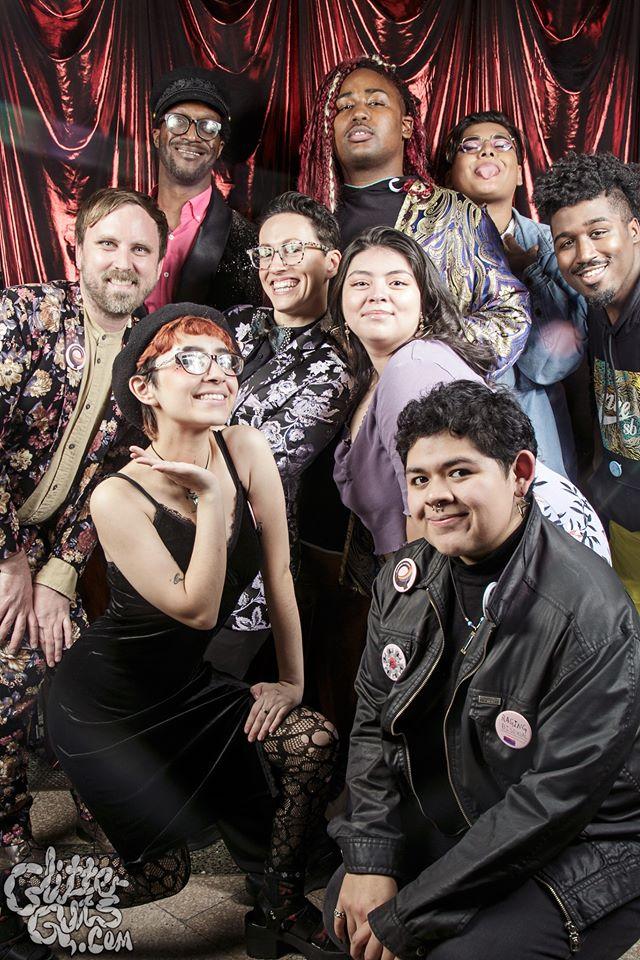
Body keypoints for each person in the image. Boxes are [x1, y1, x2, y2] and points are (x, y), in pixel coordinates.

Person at [45, 303, 344, 960]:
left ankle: (281, 907)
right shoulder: (118, 496)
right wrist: (212, 502)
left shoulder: (246, 446)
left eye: (226, 359)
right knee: (162, 880)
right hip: (104, 706)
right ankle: (30, 895)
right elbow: (200, 611)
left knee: (313, 741)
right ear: (145, 388)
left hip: (187, 687)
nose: (217, 372)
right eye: (190, 358)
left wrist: (291, 681)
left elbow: (281, 571)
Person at [324, 379, 640, 960]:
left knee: (453, 950)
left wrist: (412, 912)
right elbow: (373, 724)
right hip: (470, 809)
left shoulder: (590, 614)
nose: (434, 496)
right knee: (348, 905)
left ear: (520, 473)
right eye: (419, 480)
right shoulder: (403, 582)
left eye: (460, 472)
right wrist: (371, 859)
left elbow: (554, 802)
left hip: (586, 842)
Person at [0, 187, 166, 923]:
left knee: (62, 651)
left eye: (140, 249)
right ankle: (8, 834)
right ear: (79, 249)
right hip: (6, 537)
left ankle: (97, 805)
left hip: (41, 548)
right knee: (10, 659)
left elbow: (107, 481)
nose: (122, 260)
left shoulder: (148, 363)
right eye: (108, 243)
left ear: (159, 267)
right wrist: (9, 559)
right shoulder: (20, 314)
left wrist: (59, 576)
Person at [331, 227, 609, 590]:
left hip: (525, 575)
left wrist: (418, 619)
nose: (377, 294)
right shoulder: (375, 378)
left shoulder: (413, 367)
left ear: (425, 303)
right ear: (339, 301)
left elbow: (437, 513)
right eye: (360, 284)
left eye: (397, 283)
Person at [298, 56, 531, 376]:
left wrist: (425, 355)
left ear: (406, 125)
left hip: (430, 403)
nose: (359, 113)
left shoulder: (456, 214)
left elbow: (510, 316)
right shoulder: (303, 223)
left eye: (376, 102)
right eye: (344, 107)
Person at [210, 192, 351, 678]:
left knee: (211, 694)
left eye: (293, 249)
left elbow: (265, 461)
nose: (276, 264)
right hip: (171, 538)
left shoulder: (336, 366)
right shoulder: (233, 323)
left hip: (251, 563)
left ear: (332, 261)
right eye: (266, 252)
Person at [442, 110, 587, 477]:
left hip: (540, 444)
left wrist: (528, 275)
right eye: (469, 147)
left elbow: (547, 365)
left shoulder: (553, 244)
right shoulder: (430, 250)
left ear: (520, 171)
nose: (486, 152)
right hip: (453, 432)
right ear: (450, 173)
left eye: (500, 145)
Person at [534, 153, 640, 610]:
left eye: (598, 233)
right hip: (623, 525)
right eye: (566, 242)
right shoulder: (600, 311)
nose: (585, 255)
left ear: (633, 230)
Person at [146, 65, 261, 312]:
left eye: (208, 127)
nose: (192, 136)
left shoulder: (248, 241)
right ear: (157, 136)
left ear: (219, 148)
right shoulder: (123, 224)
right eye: (178, 122)